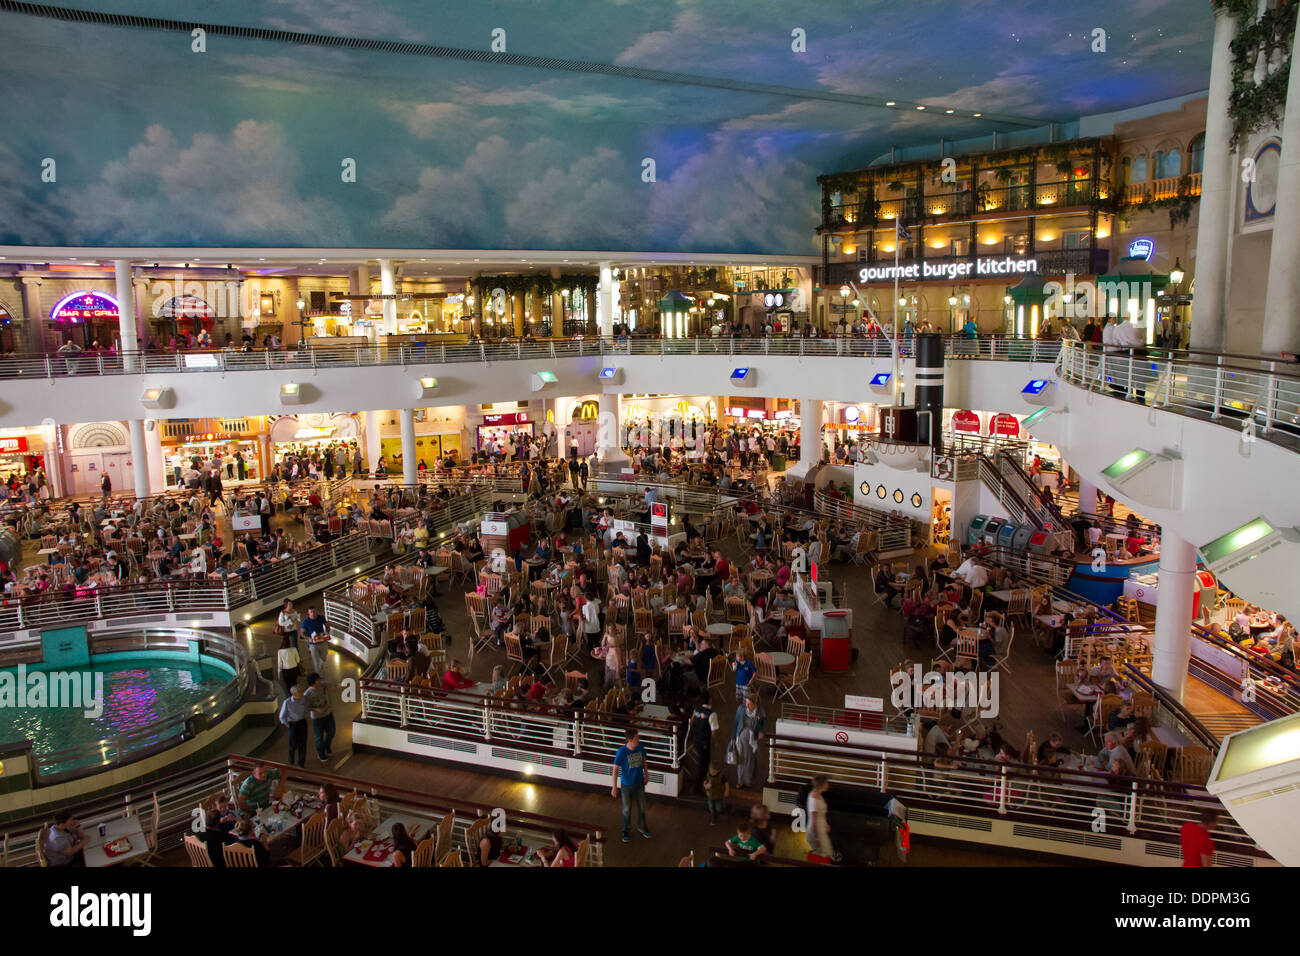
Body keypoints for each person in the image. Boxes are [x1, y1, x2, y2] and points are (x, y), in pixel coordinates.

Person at [612, 728, 652, 843]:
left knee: (642, 807)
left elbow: (644, 761)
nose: (638, 740)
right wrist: (614, 787)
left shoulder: (640, 748)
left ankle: (642, 826)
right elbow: (615, 769)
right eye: (636, 738)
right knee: (626, 809)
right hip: (626, 785)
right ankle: (626, 830)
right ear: (630, 740)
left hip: (639, 783)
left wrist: (646, 775)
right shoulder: (621, 752)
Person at [730, 691, 766, 790]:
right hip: (740, 738)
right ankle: (740, 781)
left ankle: (748, 780)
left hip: (752, 740)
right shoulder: (741, 709)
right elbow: (736, 722)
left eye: (749, 704)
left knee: (750, 760)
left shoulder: (760, 712)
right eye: (746, 703)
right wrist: (733, 737)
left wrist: (760, 734)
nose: (747, 705)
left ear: (755, 704)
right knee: (741, 759)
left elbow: (763, 725)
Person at [806, 774, 840, 862]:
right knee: (823, 854)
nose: (828, 785)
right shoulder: (813, 798)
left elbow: (821, 814)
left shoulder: (819, 795)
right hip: (817, 831)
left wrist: (826, 825)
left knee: (827, 852)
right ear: (822, 784)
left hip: (821, 828)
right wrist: (817, 838)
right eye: (826, 783)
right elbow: (814, 820)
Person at [304, 672, 335, 762]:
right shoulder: (307, 694)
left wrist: (339, 685)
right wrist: (316, 710)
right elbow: (306, 707)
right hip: (317, 718)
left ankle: (326, 746)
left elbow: (332, 686)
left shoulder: (323, 686)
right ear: (313, 682)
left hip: (328, 713)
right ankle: (321, 754)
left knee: (331, 732)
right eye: (318, 680)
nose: (320, 681)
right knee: (319, 737)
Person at [279, 683, 309, 767]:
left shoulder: (304, 699)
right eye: (300, 692)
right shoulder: (287, 702)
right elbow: (282, 716)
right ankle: (291, 760)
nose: (303, 693)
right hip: (293, 725)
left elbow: (306, 708)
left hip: (302, 723)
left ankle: (301, 763)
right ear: (295, 694)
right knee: (293, 744)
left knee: (303, 743)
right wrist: (287, 724)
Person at [300, 607, 330, 674]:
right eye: (311, 612)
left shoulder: (321, 618)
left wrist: (326, 633)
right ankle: (319, 675)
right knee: (315, 661)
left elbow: (327, 625)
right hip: (313, 643)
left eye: (314, 611)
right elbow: (302, 633)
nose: (313, 613)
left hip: (322, 640)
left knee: (324, 657)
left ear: (316, 611)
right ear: (308, 613)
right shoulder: (306, 622)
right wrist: (308, 638)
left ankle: (321, 665)